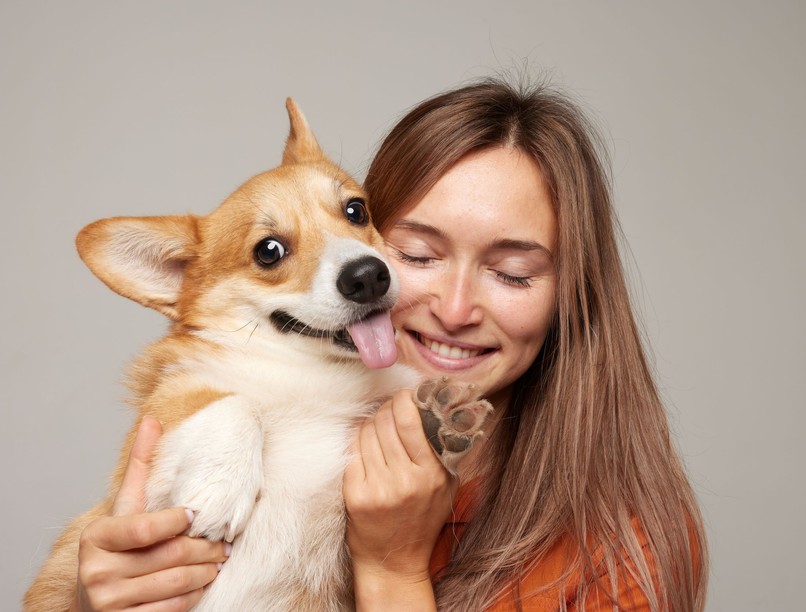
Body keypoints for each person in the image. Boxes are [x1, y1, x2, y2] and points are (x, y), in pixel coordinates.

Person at [66, 78, 708, 611]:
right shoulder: (234, 403)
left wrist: (393, 570)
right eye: (419, 254)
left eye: (512, 272)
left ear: (572, 290)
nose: (454, 311)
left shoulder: (622, 551)